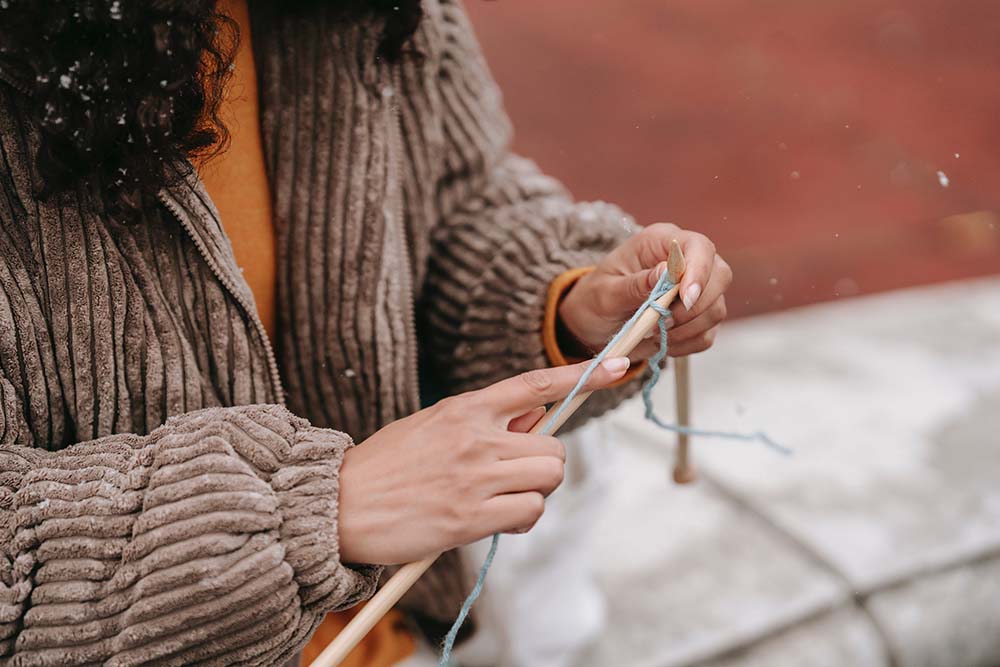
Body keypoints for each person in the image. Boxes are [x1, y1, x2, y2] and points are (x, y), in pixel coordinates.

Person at [0, 0, 732, 665]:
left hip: (390, 638)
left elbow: (453, 205)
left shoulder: (379, 11)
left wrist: (569, 305)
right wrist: (308, 511)